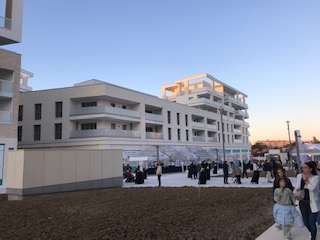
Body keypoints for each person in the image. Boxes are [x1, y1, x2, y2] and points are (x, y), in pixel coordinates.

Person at [293, 161, 320, 240]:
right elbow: (297, 188)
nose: (303, 169)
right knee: (306, 222)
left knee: (312, 223)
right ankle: (312, 232)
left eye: (305, 167)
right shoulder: (299, 176)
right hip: (302, 202)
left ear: (310, 169)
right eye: (302, 167)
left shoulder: (316, 177)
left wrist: (306, 181)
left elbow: (312, 188)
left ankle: (313, 238)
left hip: (313, 203)